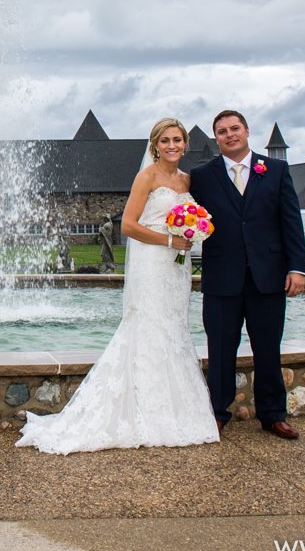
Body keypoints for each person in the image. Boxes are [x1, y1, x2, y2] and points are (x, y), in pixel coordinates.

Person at [16, 117, 220, 454]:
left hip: (176, 269)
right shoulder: (147, 176)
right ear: (155, 145)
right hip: (153, 263)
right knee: (148, 327)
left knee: (173, 328)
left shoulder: (187, 179)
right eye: (165, 140)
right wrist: (170, 241)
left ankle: (177, 410)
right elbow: (127, 225)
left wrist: (190, 233)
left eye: (177, 140)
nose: (172, 146)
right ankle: (143, 410)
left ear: (185, 144)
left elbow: (187, 219)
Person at [189, 109, 305, 440]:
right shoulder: (202, 176)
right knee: (221, 350)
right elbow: (185, 213)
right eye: (222, 131)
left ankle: (273, 414)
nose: (230, 134)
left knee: (268, 348)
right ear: (216, 138)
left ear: (246, 131)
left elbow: (291, 222)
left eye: (234, 128)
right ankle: (217, 413)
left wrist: (297, 267)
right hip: (221, 279)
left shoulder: (276, 170)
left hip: (268, 277)